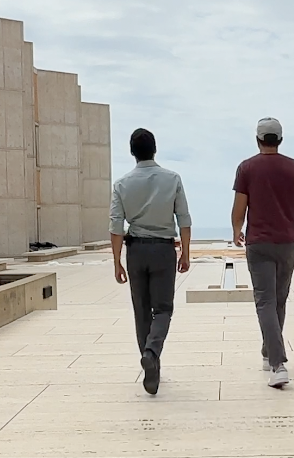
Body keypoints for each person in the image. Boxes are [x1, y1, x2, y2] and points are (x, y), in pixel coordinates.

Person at [230, 117, 294, 390]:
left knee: (265, 301)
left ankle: (278, 363)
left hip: (258, 244)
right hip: (287, 243)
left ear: (258, 139)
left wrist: (236, 230)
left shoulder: (246, 168)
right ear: (279, 140)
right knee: (278, 300)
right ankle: (270, 350)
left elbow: (239, 208)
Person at [109, 128, 191, 395]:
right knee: (164, 309)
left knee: (141, 310)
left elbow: (116, 226)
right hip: (163, 250)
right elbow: (184, 220)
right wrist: (186, 253)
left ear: (132, 152)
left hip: (135, 251)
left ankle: (150, 364)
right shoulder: (172, 179)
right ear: (154, 149)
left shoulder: (121, 184)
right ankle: (152, 352)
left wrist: (116, 261)